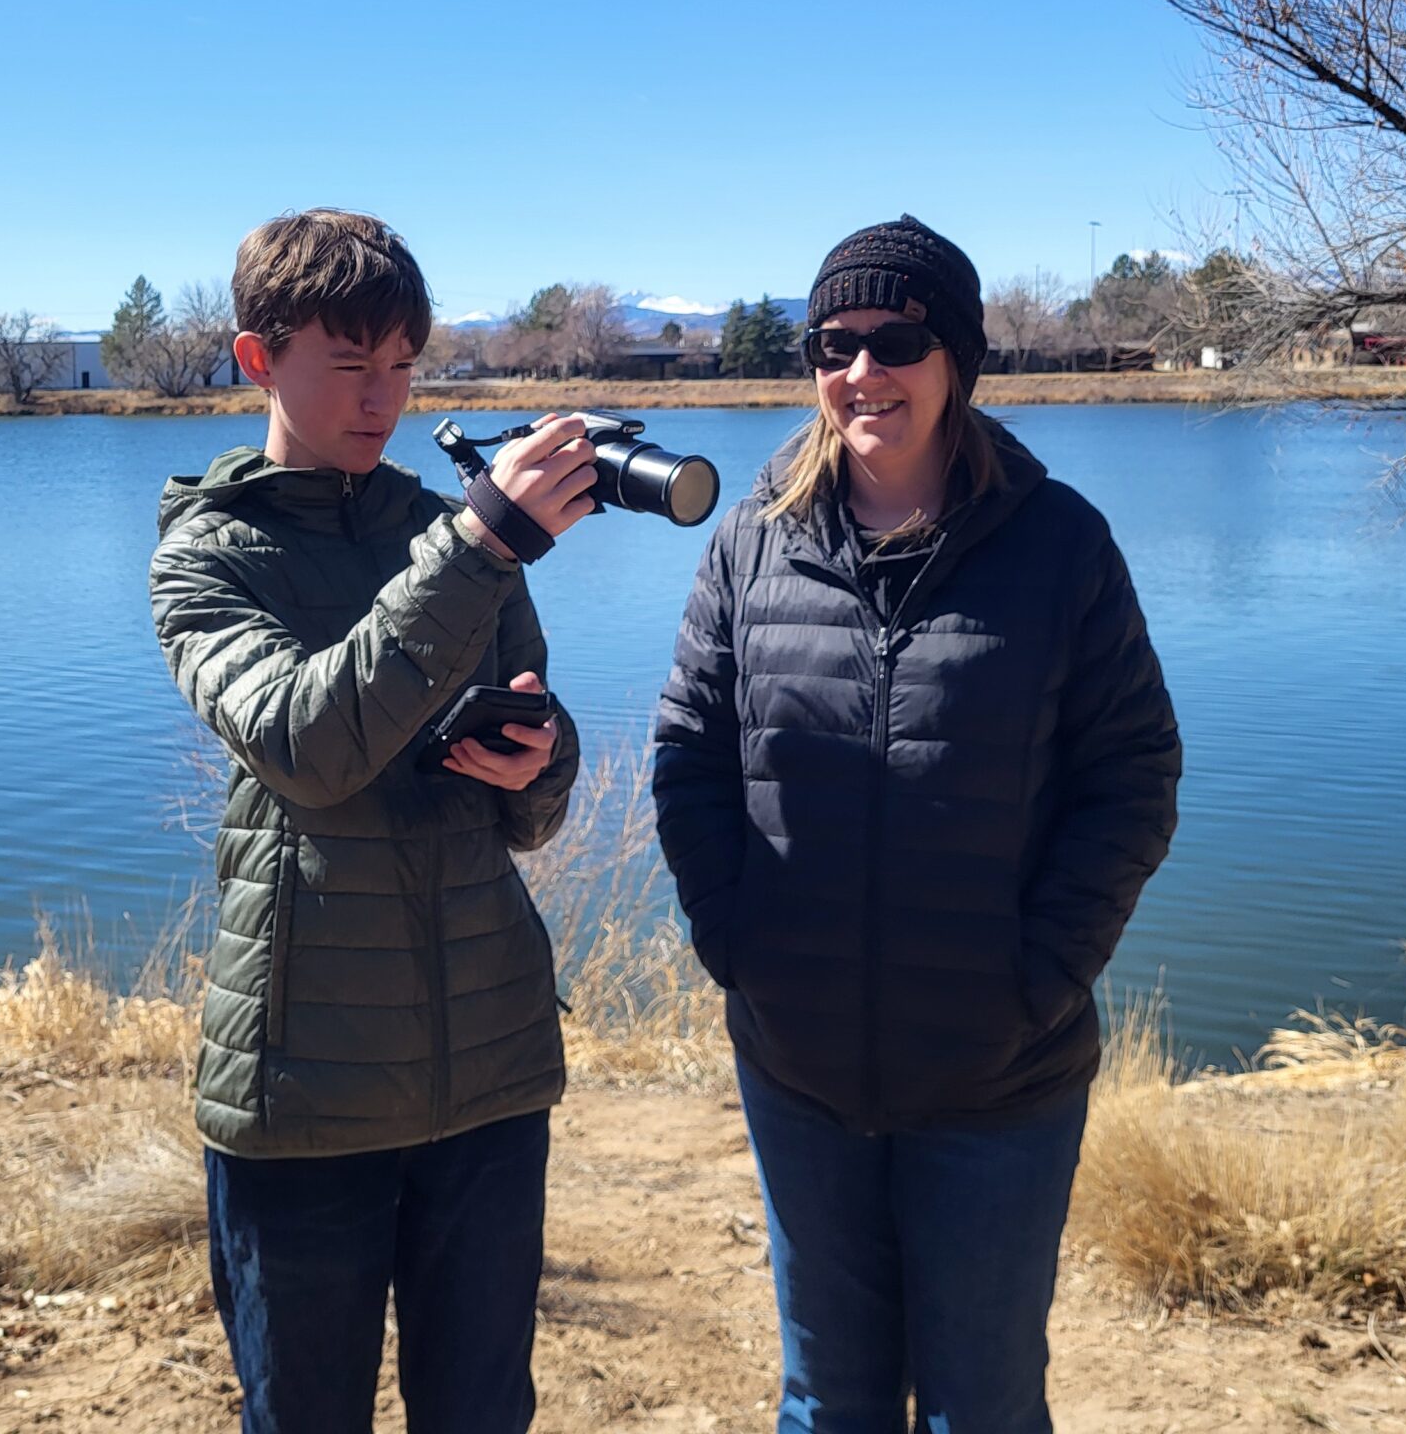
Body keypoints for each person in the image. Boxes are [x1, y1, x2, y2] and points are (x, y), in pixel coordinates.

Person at [652, 214, 1181, 1433]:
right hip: (799, 1067)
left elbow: (1132, 773)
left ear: (956, 360)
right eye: (831, 344)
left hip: (999, 1077)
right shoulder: (752, 540)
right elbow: (689, 750)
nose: (861, 372)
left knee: (979, 1407)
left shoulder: (1059, 544)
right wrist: (735, 942)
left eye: (896, 341)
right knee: (825, 1401)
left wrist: (1038, 977)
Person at [149, 207, 603, 1434]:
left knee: (482, 1413)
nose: (383, 398)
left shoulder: (449, 533)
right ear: (258, 359)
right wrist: (481, 542)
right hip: (305, 1093)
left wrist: (537, 761)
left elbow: (534, 810)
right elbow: (307, 747)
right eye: (350, 363)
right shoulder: (207, 555)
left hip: (489, 1072)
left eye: (401, 365)